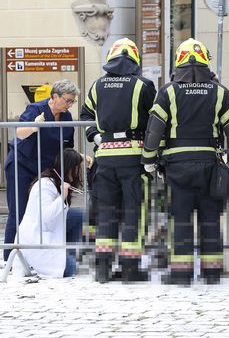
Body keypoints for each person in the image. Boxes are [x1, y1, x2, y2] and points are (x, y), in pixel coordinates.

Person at [142, 38, 229, 285]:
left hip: (177, 166)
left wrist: (149, 160)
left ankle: (181, 273)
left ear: (179, 62)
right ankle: (212, 272)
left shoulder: (168, 91)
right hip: (209, 164)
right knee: (210, 219)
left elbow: (154, 130)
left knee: (182, 219)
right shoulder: (220, 93)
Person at [80, 38, 157, 283]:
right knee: (135, 213)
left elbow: (85, 116)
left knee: (106, 213)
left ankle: (102, 268)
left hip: (105, 160)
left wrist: (97, 136)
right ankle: (130, 268)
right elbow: (155, 119)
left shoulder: (97, 85)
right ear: (134, 60)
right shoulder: (143, 85)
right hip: (134, 159)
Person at [3, 79, 80, 261]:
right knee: (19, 211)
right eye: (68, 100)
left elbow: (67, 147)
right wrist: (34, 126)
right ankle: (10, 258)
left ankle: (36, 256)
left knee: (45, 213)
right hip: (21, 166)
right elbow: (20, 132)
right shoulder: (36, 109)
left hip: (45, 171)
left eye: (72, 101)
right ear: (55, 96)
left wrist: (80, 158)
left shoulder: (67, 117)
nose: (70, 105)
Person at [13, 149, 84, 278]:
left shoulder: (57, 182)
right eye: (77, 168)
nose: (79, 172)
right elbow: (45, 217)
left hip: (50, 233)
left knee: (78, 215)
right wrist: (62, 197)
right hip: (37, 239)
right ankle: (61, 260)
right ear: (70, 168)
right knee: (70, 268)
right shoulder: (45, 184)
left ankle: (68, 254)